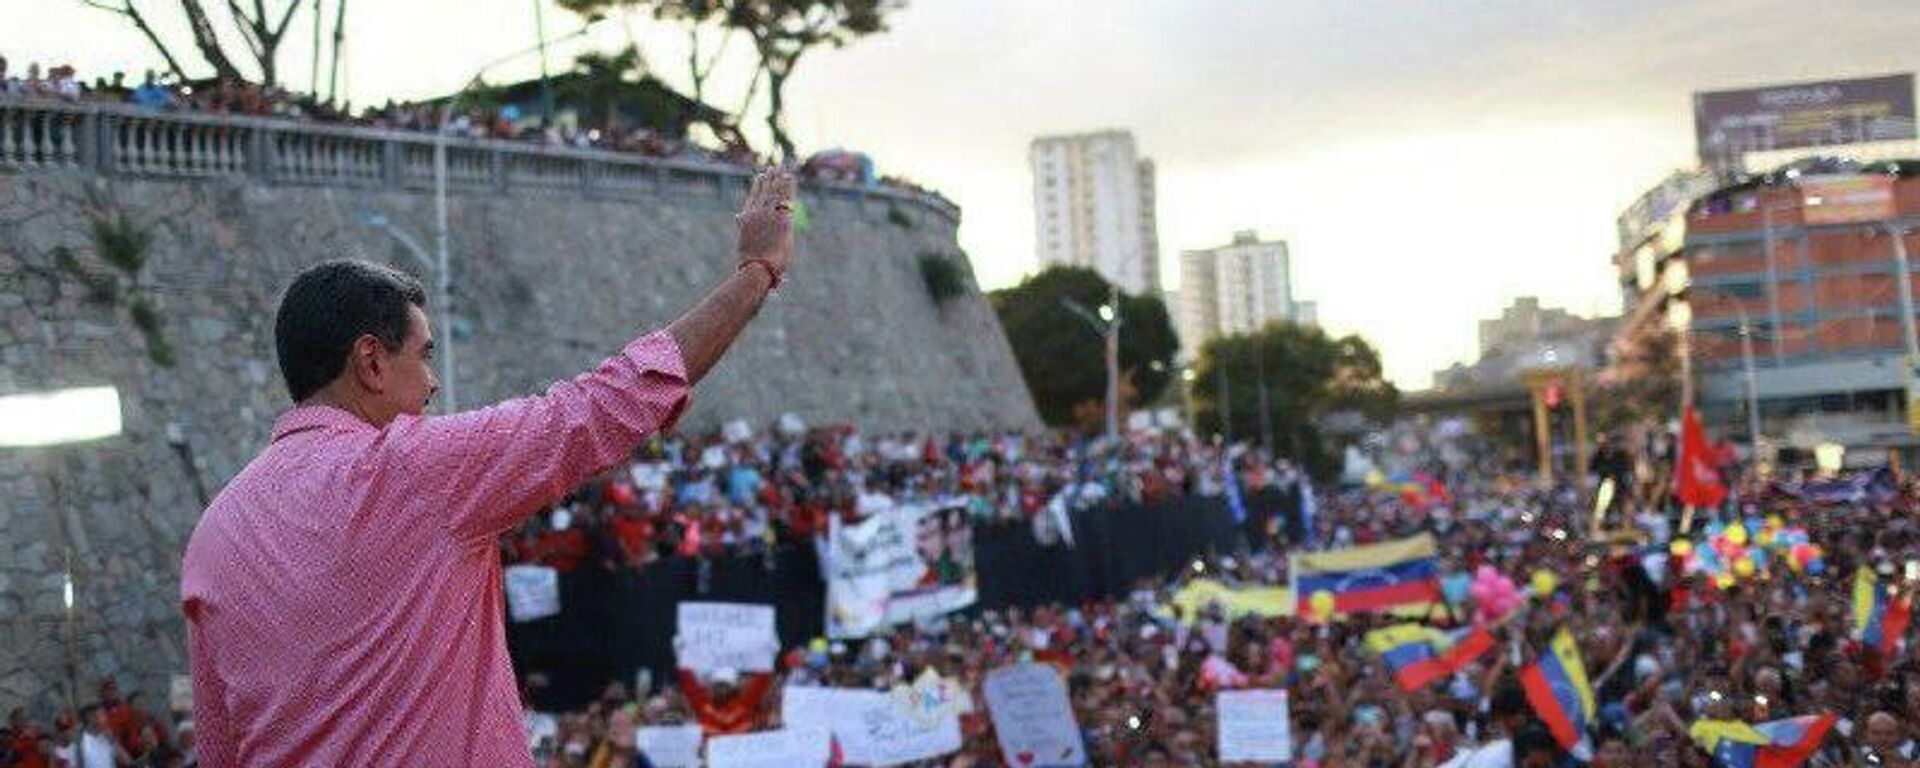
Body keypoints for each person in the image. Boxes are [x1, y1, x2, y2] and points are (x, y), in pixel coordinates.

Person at [179, 168, 797, 766]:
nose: (431, 383)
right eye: (423, 357)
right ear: (370, 361)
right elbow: (603, 406)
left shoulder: (212, 535)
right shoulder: (411, 471)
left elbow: (220, 750)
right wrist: (756, 271)